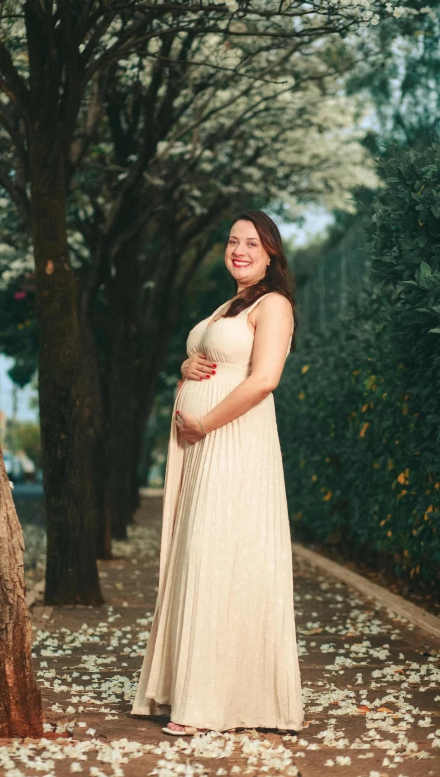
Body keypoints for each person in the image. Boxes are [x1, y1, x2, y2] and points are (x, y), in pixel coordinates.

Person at [130, 210, 304, 735]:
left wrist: (203, 421)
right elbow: (209, 357)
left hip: (233, 442)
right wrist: (186, 368)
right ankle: (190, 688)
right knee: (198, 556)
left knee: (220, 556)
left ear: (272, 252)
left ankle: (209, 704)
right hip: (203, 444)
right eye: (232, 241)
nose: (240, 250)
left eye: (252, 242)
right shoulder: (230, 303)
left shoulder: (273, 305)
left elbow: (264, 379)